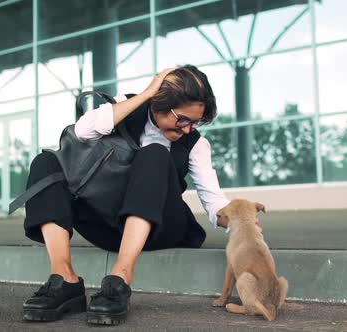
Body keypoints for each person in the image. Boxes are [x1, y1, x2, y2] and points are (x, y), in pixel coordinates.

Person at [21, 64, 261, 325]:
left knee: (155, 153)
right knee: (44, 163)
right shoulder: (125, 108)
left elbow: (214, 202)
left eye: (196, 122)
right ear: (158, 103)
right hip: (110, 224)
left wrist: (242, 221)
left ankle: (120, 279)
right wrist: (146, 95)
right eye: (182, 119)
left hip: (163, 227)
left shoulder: (196, 144)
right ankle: (63, 278)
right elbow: (80, 132)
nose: (188, 129)